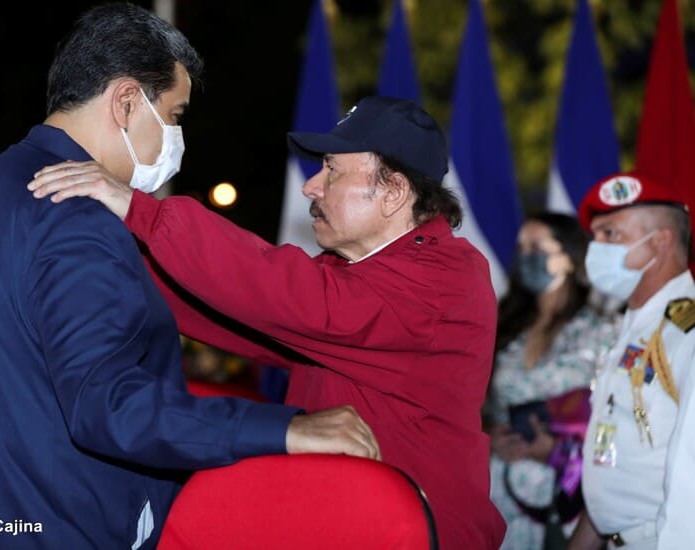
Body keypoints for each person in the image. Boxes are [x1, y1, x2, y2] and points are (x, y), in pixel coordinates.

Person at [0, 5, 380, 550]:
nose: (176, 137)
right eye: (174, 114)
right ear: (125, 101)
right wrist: (285, 429)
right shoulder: (77, 215)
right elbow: (109, 404)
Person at [28, 96, 507, 549]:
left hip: (415, 530)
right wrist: (116, 257)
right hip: (345, 520)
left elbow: (281, 291)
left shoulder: (444, 281)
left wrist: (140, 211)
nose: (311, 186)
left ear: (393, 192)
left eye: (332, 169)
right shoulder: (358, 276)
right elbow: (239, 315)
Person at [565, 171, 694, 550]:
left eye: (611, 234)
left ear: (660, 242)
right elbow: (618, 460)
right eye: (595, 236)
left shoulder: (685, 333)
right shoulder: (636, 325)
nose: (597, 248)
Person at [484, 212, 621, 550]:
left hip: (569, 495)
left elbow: (617, 415)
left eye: (537, 247)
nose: (526, 256)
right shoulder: (502, 323)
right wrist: (489, 436)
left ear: (569, 257)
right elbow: (476, 404)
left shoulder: (602, 330)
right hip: (500, 489)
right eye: (522, 248)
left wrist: (559, 452)